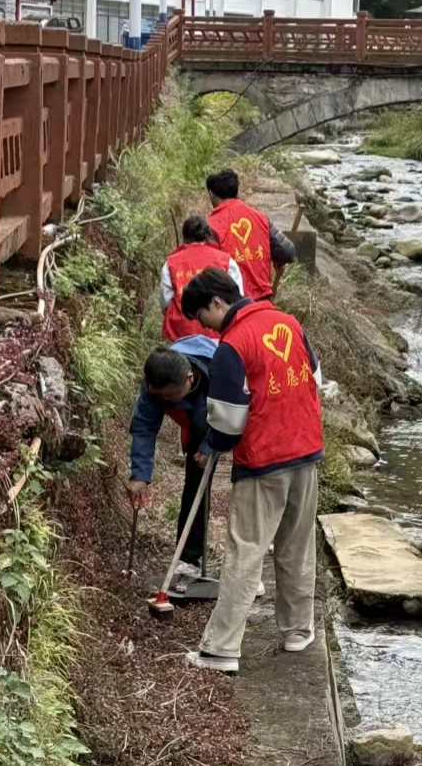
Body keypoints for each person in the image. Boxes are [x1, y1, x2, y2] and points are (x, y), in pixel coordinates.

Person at [179, 266, 324, 674]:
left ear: (217, 303)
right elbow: (314, 378)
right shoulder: (289, 323)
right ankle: (298, 630)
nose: (205, 327)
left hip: (264, 459)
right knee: (297, 543)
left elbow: (227, 420)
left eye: (203, 317)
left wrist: (216, 446)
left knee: (246, 552)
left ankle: (222, 648)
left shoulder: (233, 345)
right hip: (306, 449)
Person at [126, 335, 219, 576]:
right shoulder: (156, 381)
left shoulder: (220, 368)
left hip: (231, 413)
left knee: (246, 483)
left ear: (189, 379)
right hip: (196, 421)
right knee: (196, 480)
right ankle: (188, 558)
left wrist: (211, 446)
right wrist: (140, 475)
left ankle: (246, 564)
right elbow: (145, 425)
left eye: (169, 397)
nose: (163, 402)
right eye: (160, 397)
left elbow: (239, 410)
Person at [204, 169, 297, 300]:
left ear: (211, 194)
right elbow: (288, 252)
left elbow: (207, 271)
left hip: (231, 304)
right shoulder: (260, 217)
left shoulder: (210, 225)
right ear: (236, 191)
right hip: (262, 300)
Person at [161, 215, 243, 341]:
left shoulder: (171, 263)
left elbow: (166, 302)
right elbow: (237, 299)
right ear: (207, 236)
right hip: (219, 336)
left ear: (184, 238)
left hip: (181, 338)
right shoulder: (226, 261)